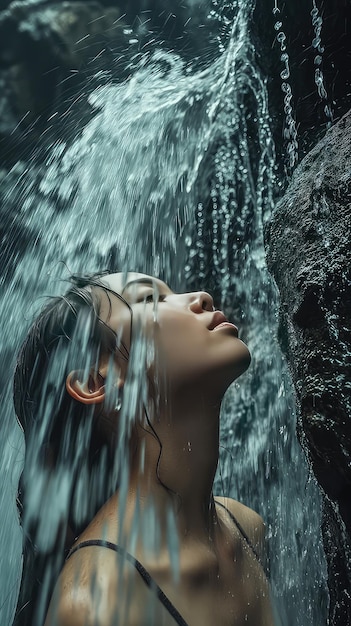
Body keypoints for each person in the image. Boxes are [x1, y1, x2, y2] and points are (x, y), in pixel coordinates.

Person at [13, 271, 275, 626]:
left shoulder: (248, 528)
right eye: (152, 300)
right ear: (96, 381)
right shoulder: (96, 604)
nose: (201, 297)